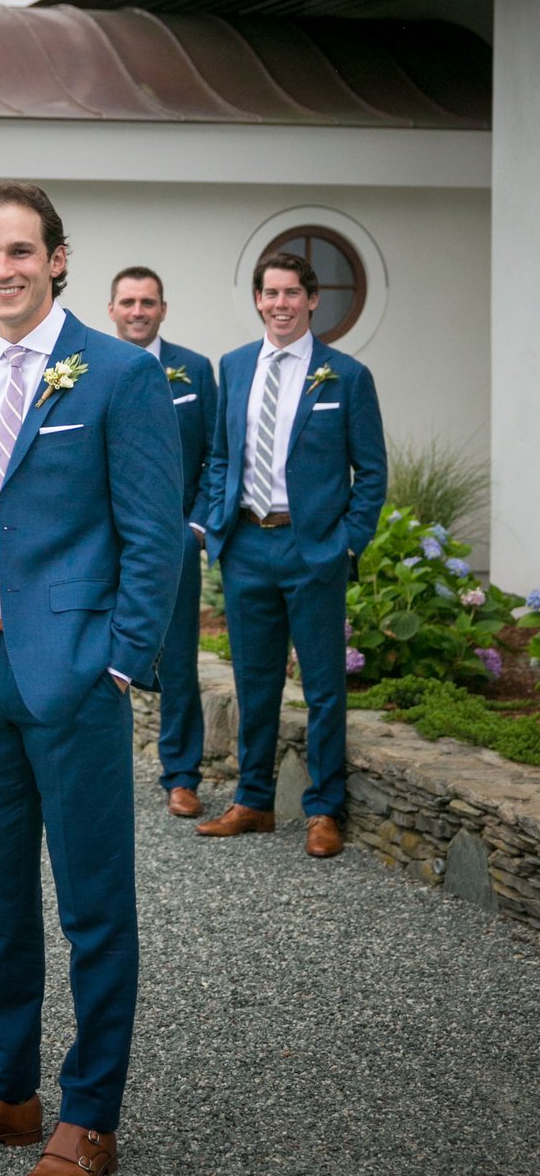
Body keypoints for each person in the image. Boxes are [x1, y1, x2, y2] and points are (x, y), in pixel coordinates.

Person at [0, 182, 183, 1176]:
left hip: (69, 677)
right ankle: (4, 1088)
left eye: (20, 250)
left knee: (94, 908)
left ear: (57, 259)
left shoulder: (115, 374)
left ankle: (87, 1111)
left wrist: (113, 661)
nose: (1, 268)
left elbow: (152, 538)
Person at [199, 252, 386, 857]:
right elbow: (223, 455)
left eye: (291, 293)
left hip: (314, 551)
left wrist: (346, 541)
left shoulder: (346, 376)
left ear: (311, 301)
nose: (280, 303)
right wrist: (216, 523)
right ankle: (253, 801)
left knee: (324, 687)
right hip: (248, 545)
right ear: (258, 300)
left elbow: (373, 473)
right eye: (269, 293)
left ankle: (324, 809)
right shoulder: (234, 366)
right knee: (255, 683)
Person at [108, 266, 217, 818]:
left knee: (178, 662)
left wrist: (196, 526)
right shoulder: (91, 368)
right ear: (112, 310)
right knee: (100, 655)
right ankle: (101, 768)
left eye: (147, 302)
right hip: (105, 544)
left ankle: (181, 774)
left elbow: (216, 456)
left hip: (174, 541)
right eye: (127, 301)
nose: (137, 311)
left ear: (162, 310)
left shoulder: (194, 371)